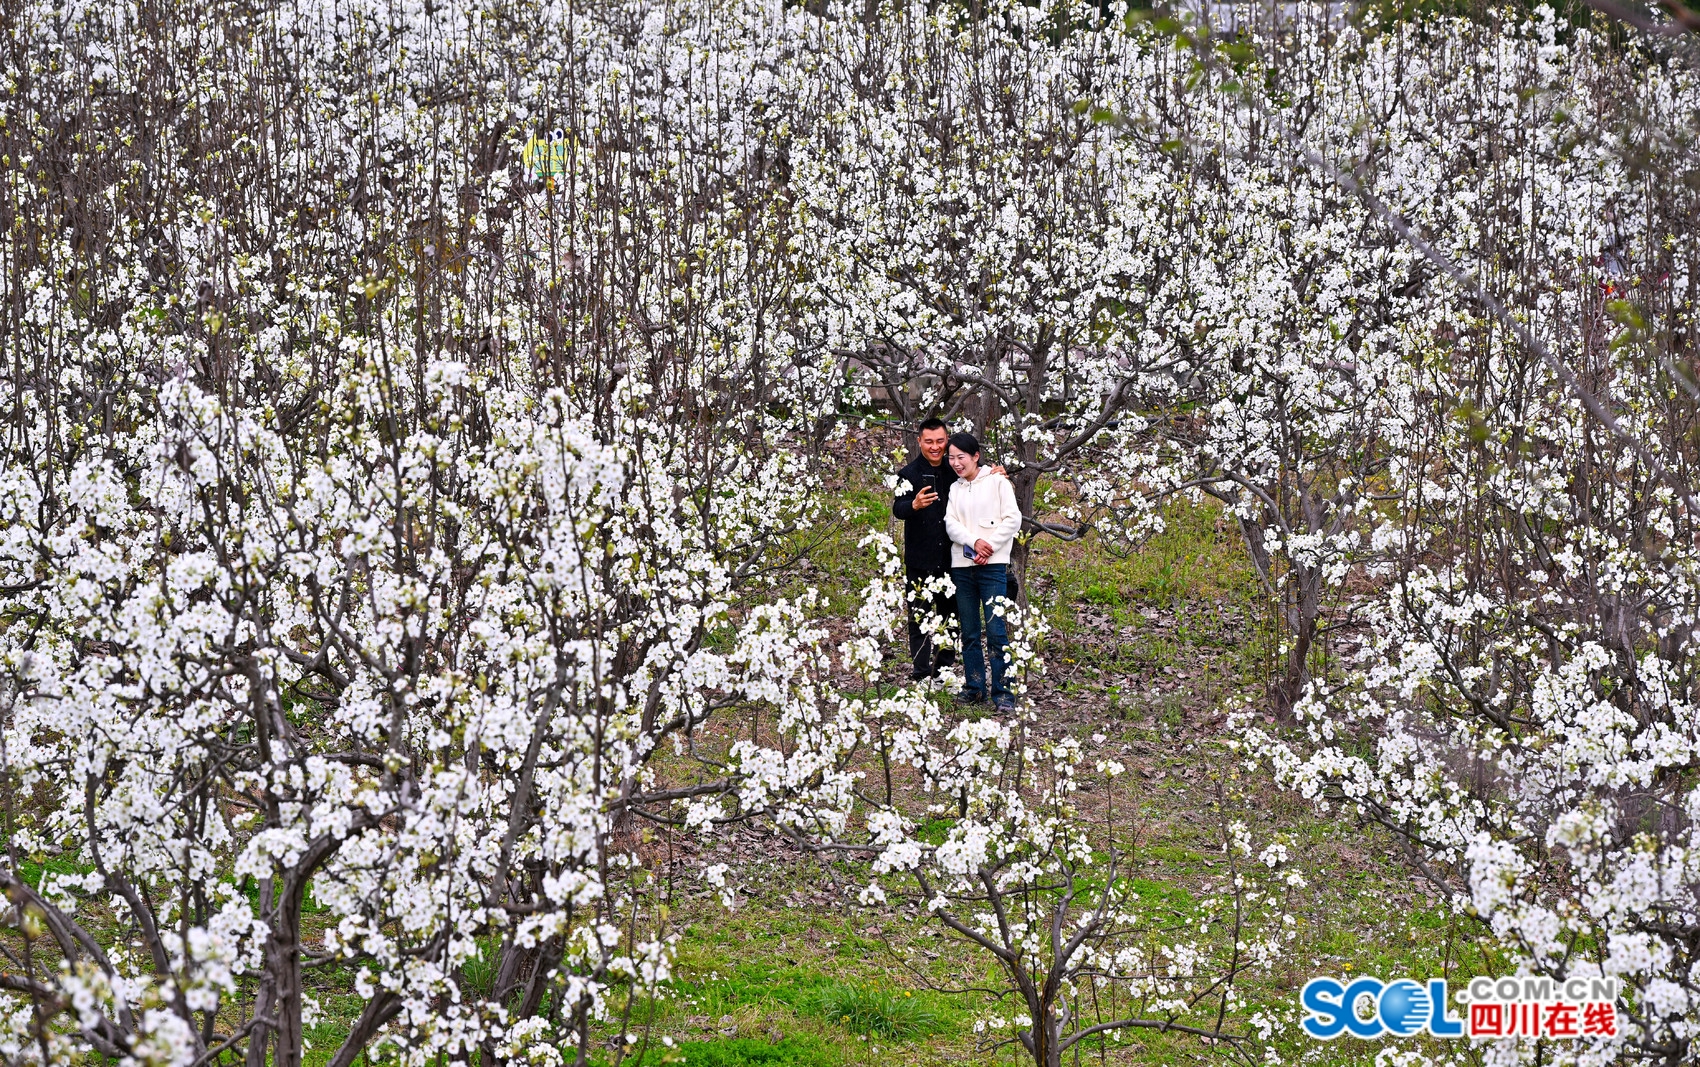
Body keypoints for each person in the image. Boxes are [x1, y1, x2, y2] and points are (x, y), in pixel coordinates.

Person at [943, 432, 1023, 709]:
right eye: (951, 458)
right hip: (962, 567)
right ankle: (974, 687)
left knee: (996, 630)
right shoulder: (955, 489)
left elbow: (1013, 518)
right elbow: (951, 524)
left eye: (961, 457)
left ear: (976, 456)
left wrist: (989, 546)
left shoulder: (997, 482)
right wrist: (973, 541)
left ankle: (1004, 694)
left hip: (993, 567)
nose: (956, 463)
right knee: (969, 632)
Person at [891, 418, 961, 679]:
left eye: (940, 441)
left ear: (947, 440)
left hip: (951, 559)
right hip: (920, 560)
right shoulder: (908, 474)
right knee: (919, 618)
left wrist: (994, 472)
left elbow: (978, 474)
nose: (935, 447)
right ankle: (920, 673)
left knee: (950, 618)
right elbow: (898, 508)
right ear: (919, 441)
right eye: (929, 441)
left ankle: (943, 671)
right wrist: (914, 505)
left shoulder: (955, 469)